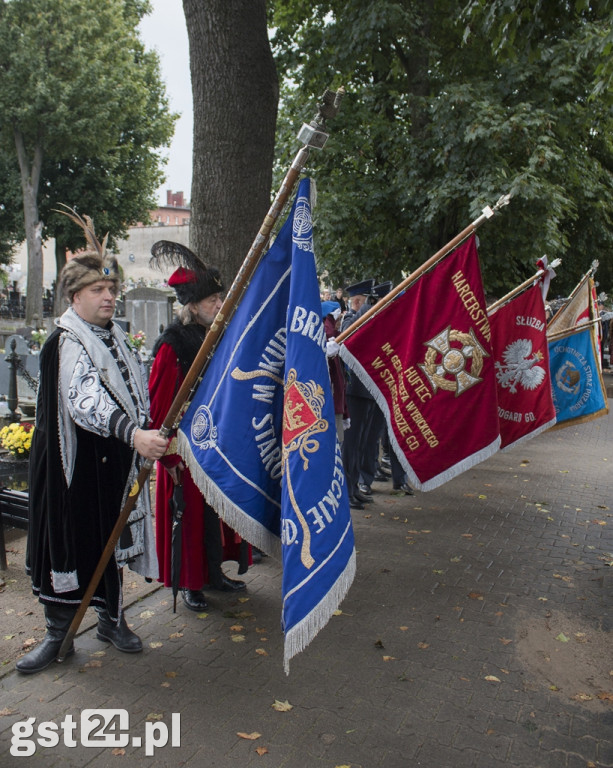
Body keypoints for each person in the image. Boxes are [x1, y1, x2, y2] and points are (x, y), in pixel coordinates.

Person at [17, 211, 168, 675]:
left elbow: (133, 389)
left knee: (110, 538)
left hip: (111, 464)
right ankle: (59, 633)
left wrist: (151, 427)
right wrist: (134, 434)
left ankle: (109, 619)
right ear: (75, 295)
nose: (108, 297)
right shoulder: (66, 340)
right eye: (99, 291)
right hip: (73, 466)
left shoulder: (116, 335)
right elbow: (85, 401)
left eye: (111, 290)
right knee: (73, 542)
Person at [149, 240, 249, 613]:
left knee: (214, 515)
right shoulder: (172, 345)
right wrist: (171, 459)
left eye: (221, 299)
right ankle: (191, 584)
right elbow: (160, 409)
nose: (220, 305)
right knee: (189, 518)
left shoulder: (216, 335)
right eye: (213, 301)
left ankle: (213, 573)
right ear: (192, 306)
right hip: (184, 451)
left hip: (214, 444)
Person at [340, 279, 376, 510]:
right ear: (356, 302)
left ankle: (354, 487)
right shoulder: (350, 320)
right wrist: (364, 310)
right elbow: (349, 340)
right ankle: (346, 490)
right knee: (351, 445)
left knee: (361, 444)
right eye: (366, 302)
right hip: (355, 391)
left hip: (369, 392)